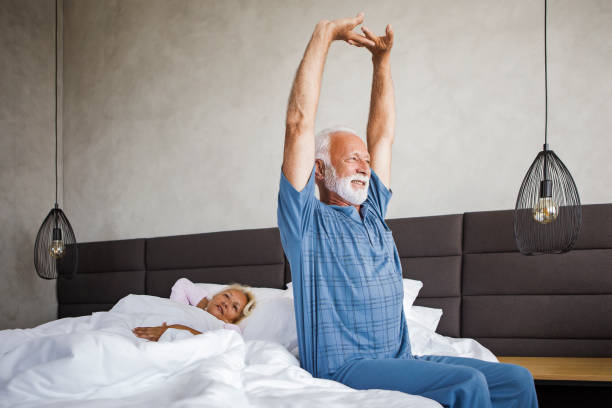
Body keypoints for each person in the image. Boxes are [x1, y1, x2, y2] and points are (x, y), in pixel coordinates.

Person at [277, 12, 538, 408]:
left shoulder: (374, 211)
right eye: (352, 159)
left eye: (365, 160)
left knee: (517, 381)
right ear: (319, 169)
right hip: (345, 366)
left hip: (401, 358)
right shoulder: (306, 223)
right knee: (466, 386)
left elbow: (382, 136)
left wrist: (381, 63)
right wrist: (324, 35)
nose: (365, 166)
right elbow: (299, 124)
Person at [133, 279, 255, 341]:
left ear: (235, 319)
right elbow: (182, 283)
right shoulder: (185, 308)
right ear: (214, 296)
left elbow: (223, 344)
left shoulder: (228, 328)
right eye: (226, 296)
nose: (226, 303)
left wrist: (172, 331)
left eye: (234, 307)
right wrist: (203, 303)